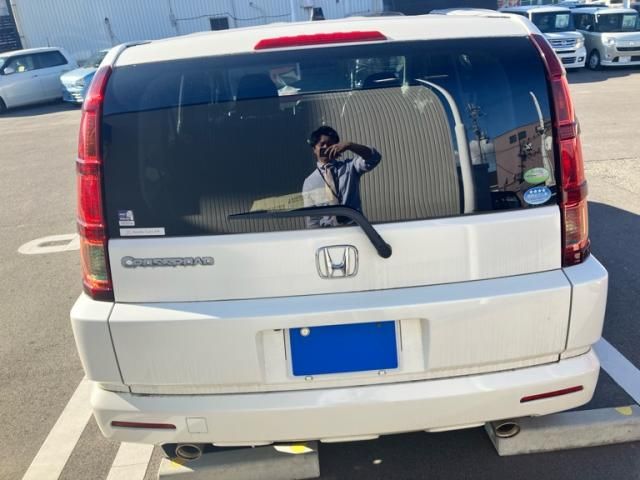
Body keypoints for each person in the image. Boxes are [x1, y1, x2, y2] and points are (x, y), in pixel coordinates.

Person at [302, 125, 382, 228]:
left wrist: (349, 145)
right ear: (314, 149)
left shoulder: (350, 167)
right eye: (322, 144)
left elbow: (374, 158)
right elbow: (312, 220)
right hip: (327, 233)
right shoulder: (309, 182)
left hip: (354, 228)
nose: (326, 147)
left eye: (330, 144)